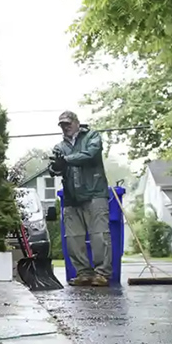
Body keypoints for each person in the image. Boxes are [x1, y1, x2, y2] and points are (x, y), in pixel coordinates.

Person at [47, 111, 111, 286]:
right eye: (62, 125)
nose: (65, 127)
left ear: (76, 122)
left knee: (100, 235)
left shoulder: (92, 137)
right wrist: (55, 167)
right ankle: (83, 273)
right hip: (70, 198)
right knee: (73, 238)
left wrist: (66, 160)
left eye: (68, 123)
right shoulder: (59, 147)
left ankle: (102, 274)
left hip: (95, 193)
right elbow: (54, 168)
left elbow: (91, 155)